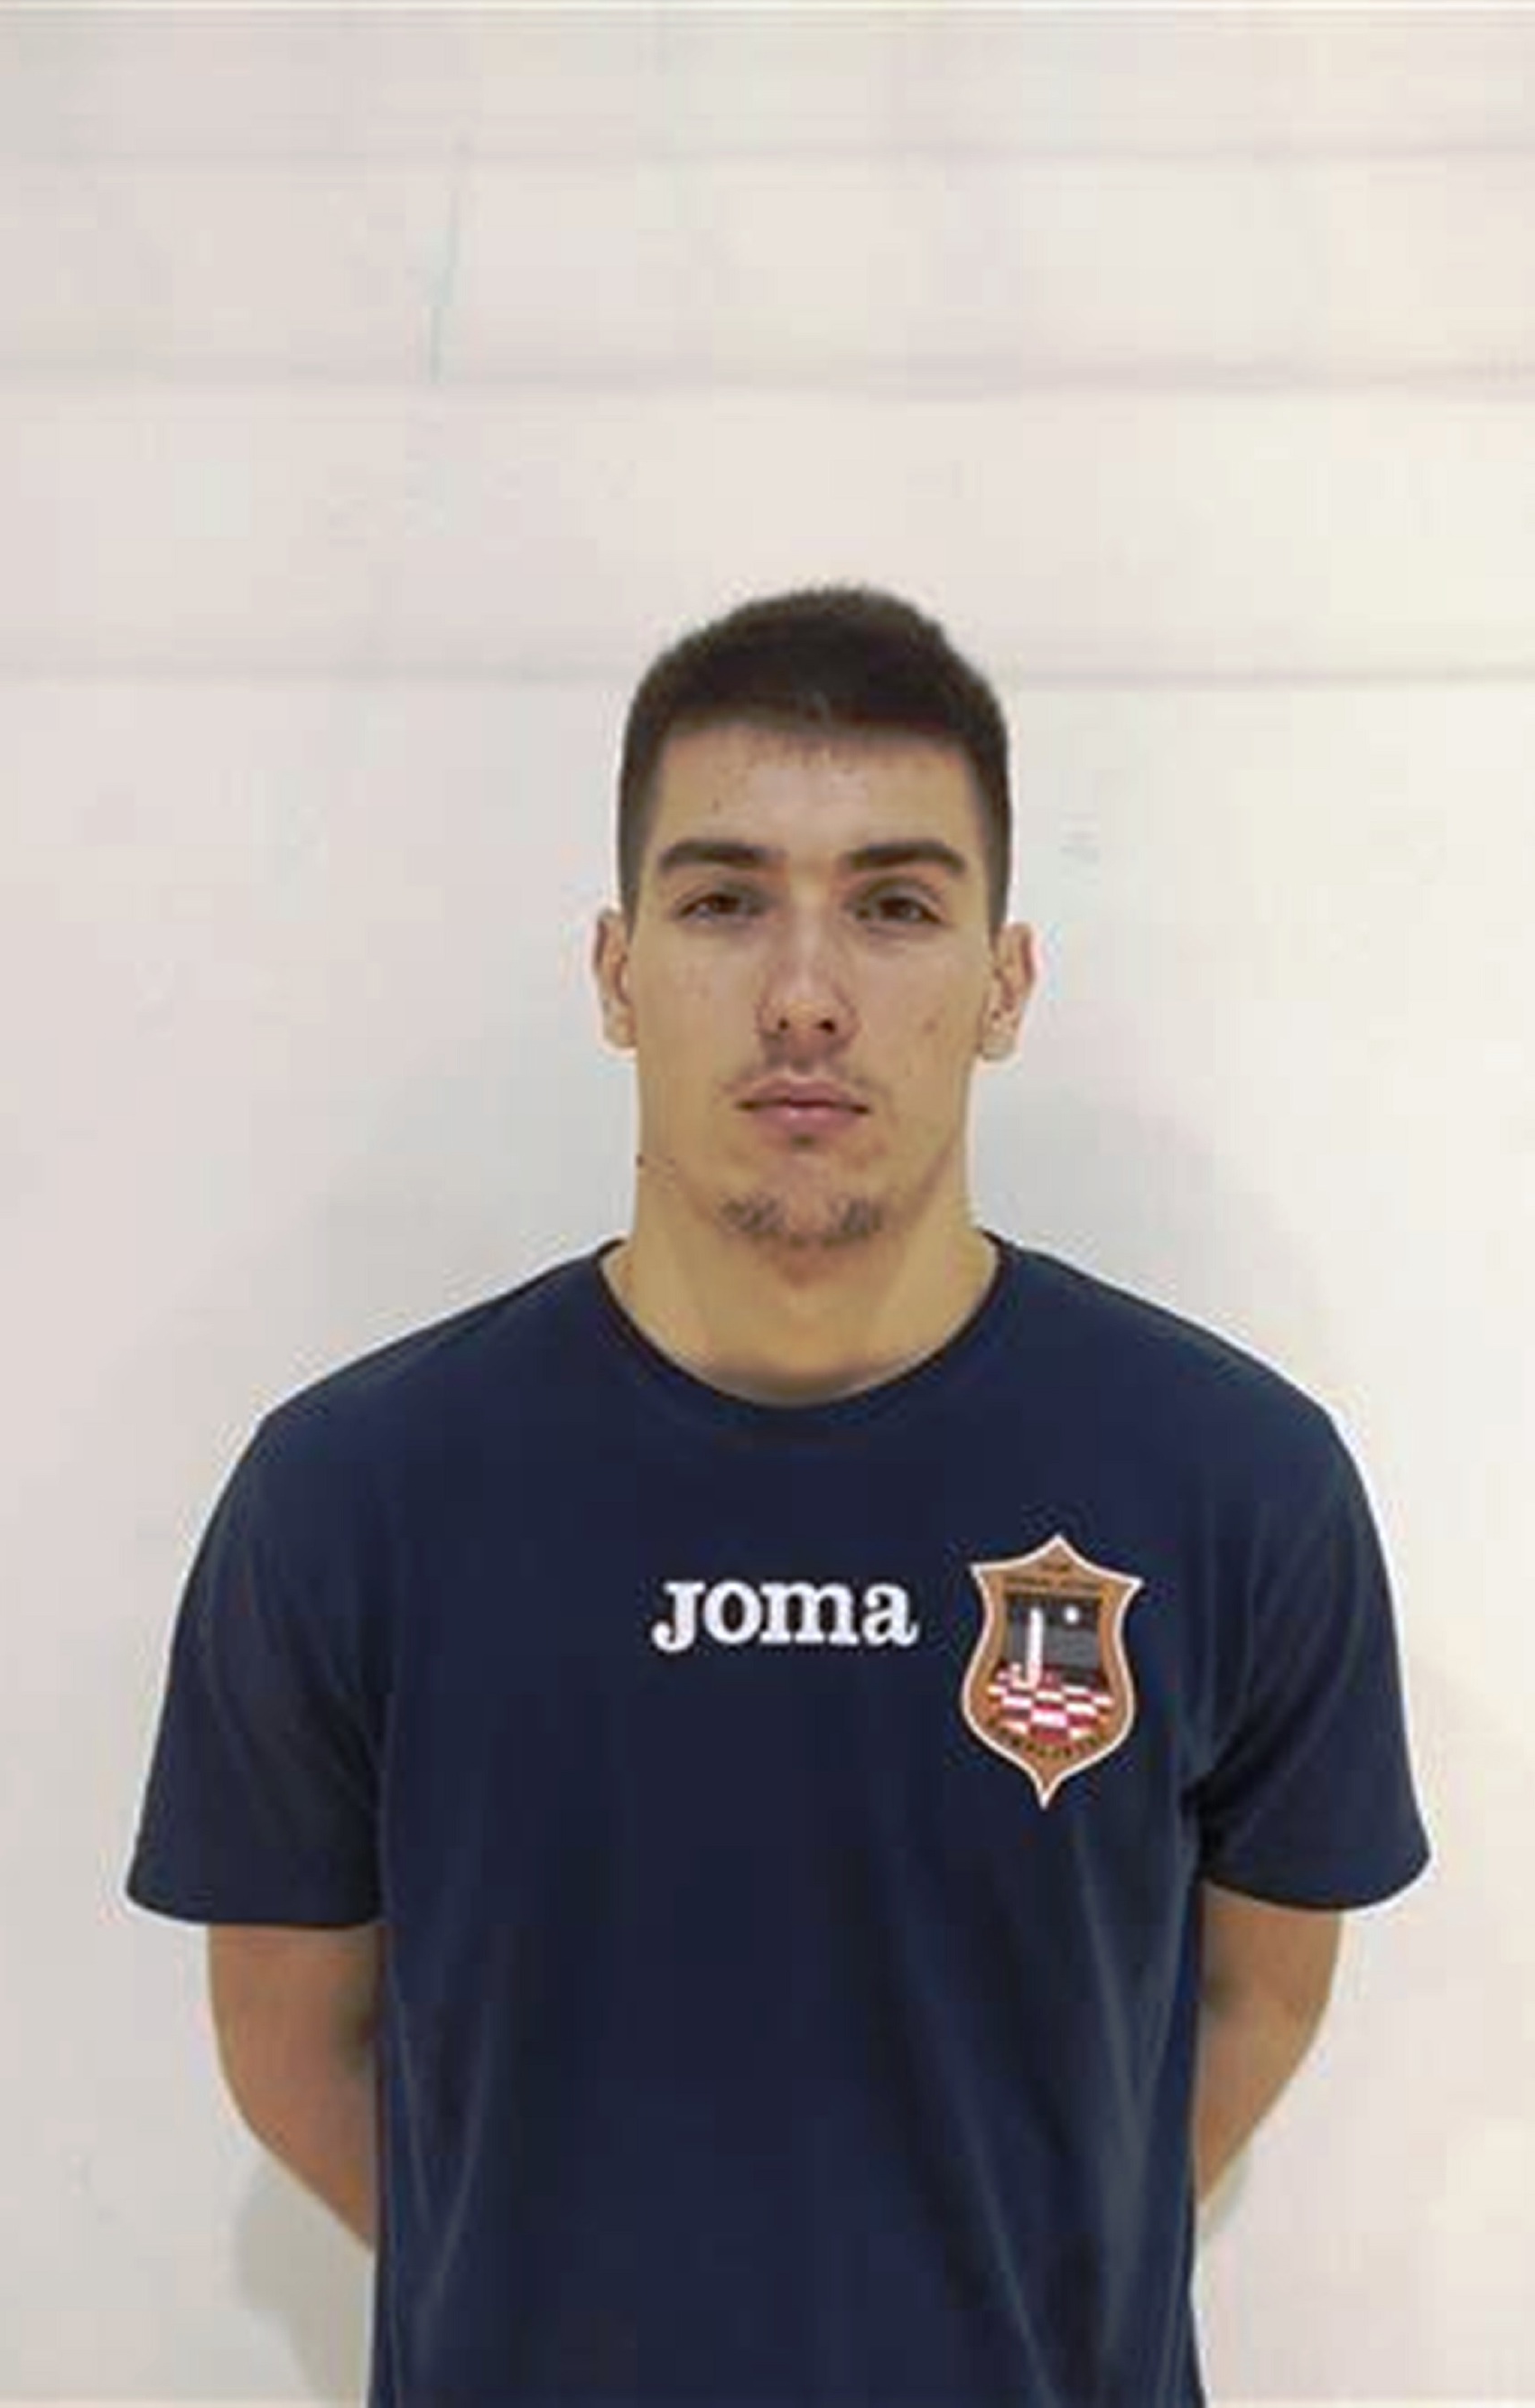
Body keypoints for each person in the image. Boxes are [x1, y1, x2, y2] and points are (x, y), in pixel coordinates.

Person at [126, 584, 1429, 2407]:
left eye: (894, 905)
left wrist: (1011, 2280)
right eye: (724, 899)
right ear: (614, 970)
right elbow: (293, 2044)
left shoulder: (1232, 1483)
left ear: (1004, 983)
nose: (805, 993)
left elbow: (1256, 1995)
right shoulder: (354, 1500)